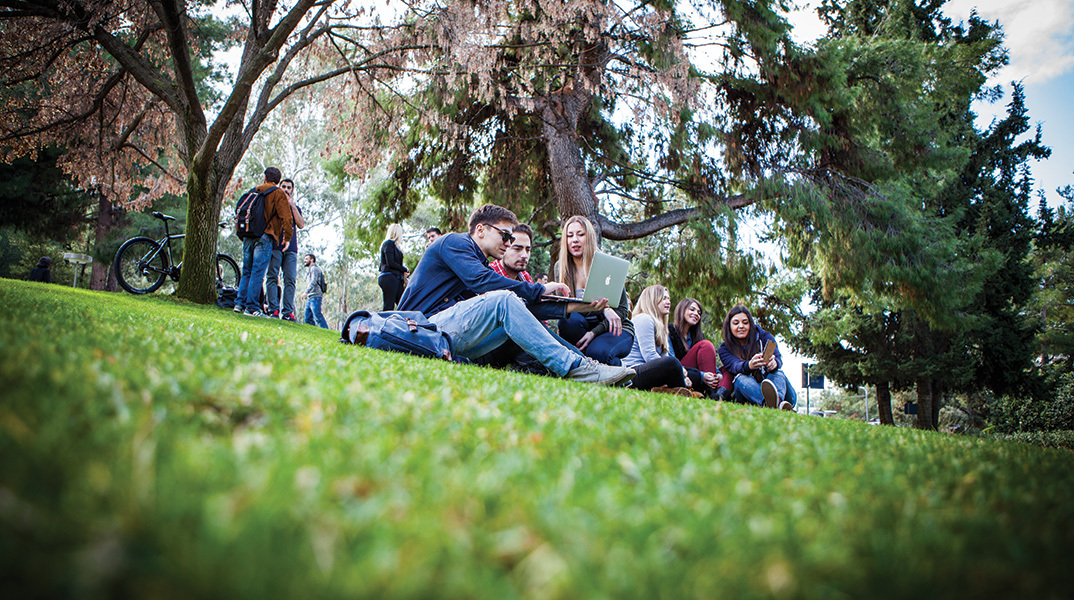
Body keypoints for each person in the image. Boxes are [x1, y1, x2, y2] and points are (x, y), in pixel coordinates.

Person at [398, 204, 635, 386]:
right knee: (504, 299)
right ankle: (578, 368)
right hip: (421, 331)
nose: (509, 242)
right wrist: (538, 289)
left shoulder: (475, 262)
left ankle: (587, 367)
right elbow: (484, 282)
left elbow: (521, 308)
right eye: (506, 236)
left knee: (513, 314)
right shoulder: (454, 243)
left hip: (445, 337)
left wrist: (575, 307)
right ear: (480, 230)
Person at [554, 215, 634, 365]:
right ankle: (580, 367)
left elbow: (623, 310)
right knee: (567, 321)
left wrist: (594, 333)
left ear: (589, 237)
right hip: (580, 325)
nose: (575, 240)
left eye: (580, 234)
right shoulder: (561, 267)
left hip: (613, 327)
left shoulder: (608, 264)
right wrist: (603, 309)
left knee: (597, 352)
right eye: (569, 236)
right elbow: (565, 308)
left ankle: (622, 379)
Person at [236, 166, 294, 317]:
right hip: (265, 237)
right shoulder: (277, 193)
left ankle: (239, 304)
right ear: (278, 181)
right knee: (257, 272)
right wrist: (287, 238)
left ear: (265, 177)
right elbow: (286, 217)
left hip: (248, 235)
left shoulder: (254, 191)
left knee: (246, 271)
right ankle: (252, 307)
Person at [718, 305, 797, 410]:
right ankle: (772, 405)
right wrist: (749, 365)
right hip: (748, 392)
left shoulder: (764, 337)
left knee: (778, 373)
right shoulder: (725, 349)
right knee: (740, 379)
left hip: (779, 388)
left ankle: (775, 401)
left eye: (745, 323)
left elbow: (778, 358)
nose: (741, 326)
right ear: (729, 326)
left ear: (751, 324)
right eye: (736, 323)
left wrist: (774, 363)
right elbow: (734, 366)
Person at [622, 285, 693, 391]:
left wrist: (681, 371)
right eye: (664, 298)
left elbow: (664, 356)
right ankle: (682, 393)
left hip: (647, 371)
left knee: (685, 370)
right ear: (652, 300)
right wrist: (679, 370)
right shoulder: (644, 319)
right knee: (672, 364)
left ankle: (673, 391)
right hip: (632, 374)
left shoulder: (661, 326)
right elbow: (649, 355)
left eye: (668, 298)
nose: (668, 302)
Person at [670, 298, 731, 400]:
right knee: (706, 345)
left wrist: (717, 375)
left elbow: (706, 361)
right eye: (692, 310)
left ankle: (718, 394)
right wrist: (702, 376)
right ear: (682, 309)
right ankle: (711, 392)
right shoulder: (670, 331)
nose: (696, 314)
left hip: (697, 376)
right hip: (680, 373)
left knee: (727, 370)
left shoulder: (697, 337)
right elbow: (670, 361)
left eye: (699, 313)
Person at [265, 177, 305, 321]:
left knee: (290, 279)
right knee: (272, 276)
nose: (286, 190)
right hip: (275, 246)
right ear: (279, 188)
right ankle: (273, 309)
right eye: (284, 187)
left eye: (289, 187)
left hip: (291, 249)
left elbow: (301, 224)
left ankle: (288, 312)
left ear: (292, 190)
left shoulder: (296, 208)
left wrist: (292, 206)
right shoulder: (273, 206)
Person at [378, 223, 409, 310]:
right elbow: (390, 263)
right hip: (389, 277)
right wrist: (404, 269)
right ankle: (385, 322)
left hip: (395, 278)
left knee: (404, 304)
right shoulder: (388, 244)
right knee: (389, 305)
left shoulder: (395, 247)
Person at [300, 253, 329, 328]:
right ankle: (311, 330)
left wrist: (306, 292)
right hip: (311, 296)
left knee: (317, 315)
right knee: (307, 317)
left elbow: (314, 281)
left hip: (315, 296)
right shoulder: (311, 269)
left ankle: (325, 330)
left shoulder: (314, 269)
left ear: (312, 260)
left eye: (306, 259)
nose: (305, 261)